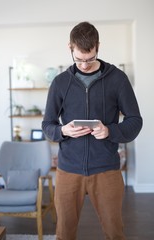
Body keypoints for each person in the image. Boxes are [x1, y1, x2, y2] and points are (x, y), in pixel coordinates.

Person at [42, 21, 143, 240]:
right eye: (79, 59)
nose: (85, 65)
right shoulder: (60, 83)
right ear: (70, 48)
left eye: (90, 58)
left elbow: (135, 121)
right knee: (64, 234)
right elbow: (47, 126)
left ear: (98, 46)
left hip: (106, 170)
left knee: (115, 233)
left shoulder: (118, 79)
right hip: (68, 170)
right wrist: (63, 131)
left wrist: (109, 131)